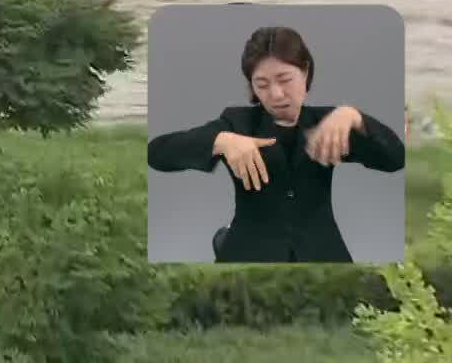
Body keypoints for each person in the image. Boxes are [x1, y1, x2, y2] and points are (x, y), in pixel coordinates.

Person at [147, 25, 405, 262]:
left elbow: (395, 158)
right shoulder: (237, 122)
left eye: (284, 79)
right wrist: (221, 141)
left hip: (322, 249)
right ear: (252, 87)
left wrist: (355, 117)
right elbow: (158, 153)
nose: (276, 94)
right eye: (262, 84)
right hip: (249, 249)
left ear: (305, 72)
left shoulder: (330, 122)